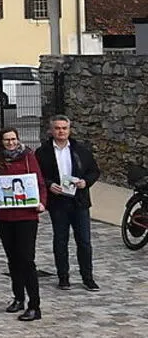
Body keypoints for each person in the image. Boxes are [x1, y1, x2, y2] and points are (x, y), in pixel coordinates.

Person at [0, 127, 47, 322]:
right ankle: (18, 297)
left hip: (26, 216)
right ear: (1, 142)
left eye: (13, 139)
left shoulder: (28, 158)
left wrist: (42, 202)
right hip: (3, 216)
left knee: (27, 259)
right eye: (6, 140)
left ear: (18, 140)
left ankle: (34, 305)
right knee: (12, 259)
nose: (10, 143)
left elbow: (40, 183)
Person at [36, 115, 101, 292]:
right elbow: (38, 175)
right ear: (51, 130)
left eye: (64, 128)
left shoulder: (81, 150)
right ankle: (63, 277)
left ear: (69, 129)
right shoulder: (43, 152)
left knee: (84, 242)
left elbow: (94, 171)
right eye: (57, 128)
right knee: (60, 240)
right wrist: (49, 185)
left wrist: (85, 182)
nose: (61, 131)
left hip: (79, 201)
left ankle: (88, 277)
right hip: (58, 202)